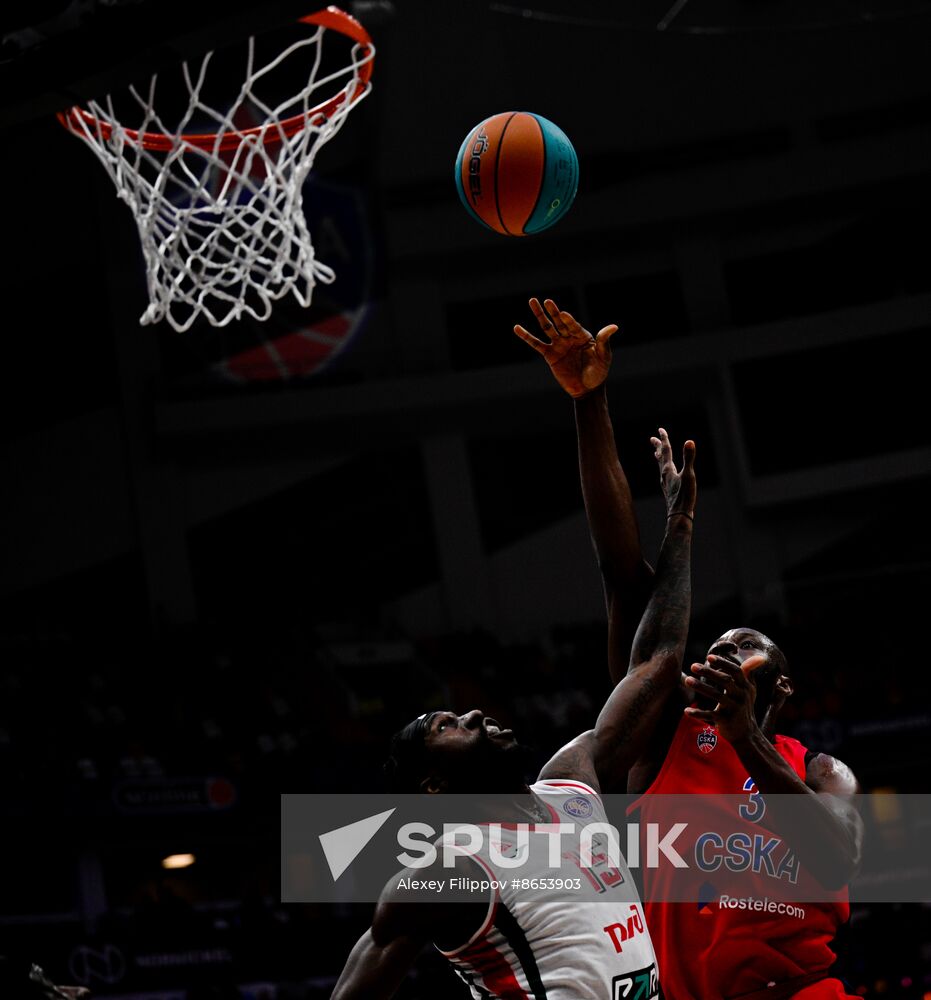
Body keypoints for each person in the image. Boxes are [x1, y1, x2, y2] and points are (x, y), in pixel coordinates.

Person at [516, 298, 864, 1000]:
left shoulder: (820, 772)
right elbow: (621, 575)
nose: (723, 653)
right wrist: (589, 402)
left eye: (746, 649)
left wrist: (745, 740)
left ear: (783, 692)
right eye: (717, 645)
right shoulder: (661, 737)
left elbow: (831, 859)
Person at [329, 345, 698, 999]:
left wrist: (595, 409)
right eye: (445, 724)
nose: (470, 713)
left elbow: (656, 658)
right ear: (434, 785)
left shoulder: (572, 782)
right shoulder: (443, 869)